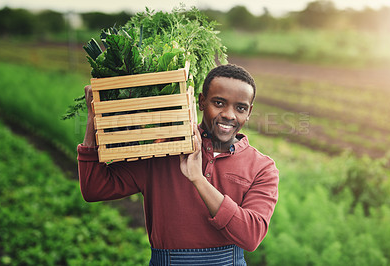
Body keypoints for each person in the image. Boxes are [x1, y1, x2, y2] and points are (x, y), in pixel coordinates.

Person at [77, 64, 279, 265]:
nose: (229, 114)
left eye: (240, 108)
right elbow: (94, 188)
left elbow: (251, 236)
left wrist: (198, 180)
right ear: (201, 101)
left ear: (249, 112)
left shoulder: (261, 167)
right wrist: (94, 117)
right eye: (218, 103)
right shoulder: (163, 149)